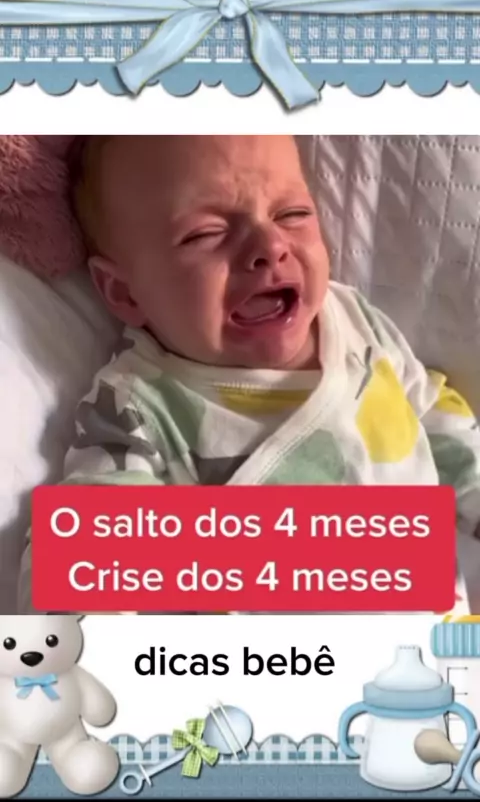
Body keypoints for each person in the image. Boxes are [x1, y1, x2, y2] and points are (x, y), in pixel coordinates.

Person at [18, 135, 480, 611]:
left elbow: (429, 406)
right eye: (205, 234)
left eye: (292, 214)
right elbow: (83, 559)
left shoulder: (354, 320)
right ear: (124, 292)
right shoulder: (138, 405)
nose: (270, 245)